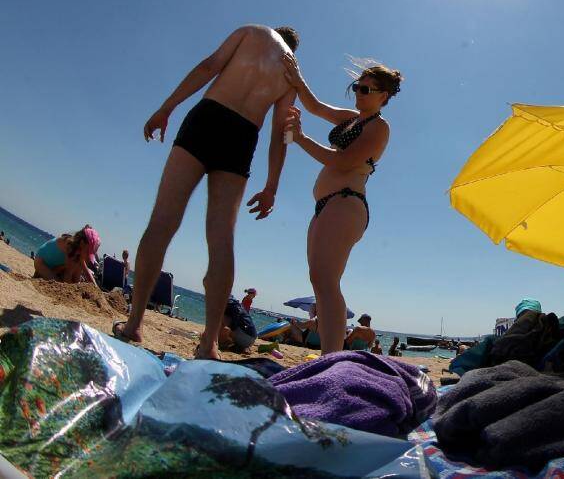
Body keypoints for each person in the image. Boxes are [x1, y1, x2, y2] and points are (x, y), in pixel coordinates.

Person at [113, 25, 300, 360]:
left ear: (277, 31)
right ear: (293, 48)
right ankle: (209, 343)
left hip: (209, 117)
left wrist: (166, 108)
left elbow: (209, 66)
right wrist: (272, 185)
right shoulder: (291, 72)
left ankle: (134, 323)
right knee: (222, 239)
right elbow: (280, 133)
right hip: (243, 137)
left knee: (163, 221)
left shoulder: (253, 32)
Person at [282, 54, 402, 355]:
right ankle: (329, 356)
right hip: (327, 205)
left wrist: (300, 138)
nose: (359, 93)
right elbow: (316, 107)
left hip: (346, 203)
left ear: (383, 96)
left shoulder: (379, 127)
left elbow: (345, 161)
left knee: (326, 280)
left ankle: (330, 359)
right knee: (319, 280)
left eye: (366, 89)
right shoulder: (352, 119)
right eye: (357, 86)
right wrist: (296, 77)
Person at [33, 226, 101, 286]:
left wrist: (95, 288)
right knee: (59, 284)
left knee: (78, 268)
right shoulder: (70, 246)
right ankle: (40, 274)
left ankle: (44, 274)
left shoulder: (79, 250)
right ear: (82, 243)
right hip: (41, 263)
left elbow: (85, 272)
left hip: (55, 265)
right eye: (88, 252)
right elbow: (67, 276)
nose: (88, 256)